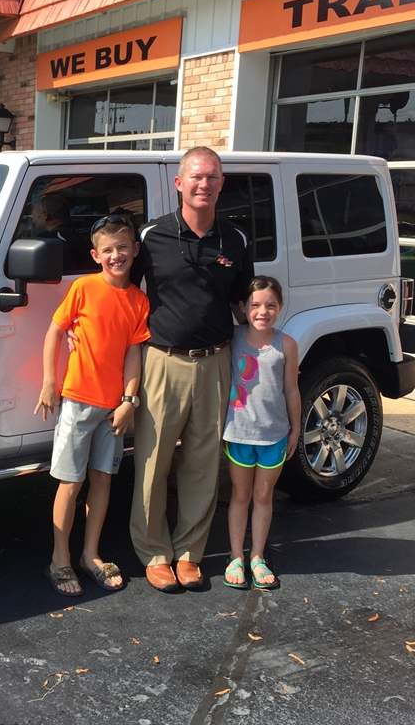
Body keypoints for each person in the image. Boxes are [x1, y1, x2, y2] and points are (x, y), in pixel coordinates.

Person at [129, 146, 254, 593]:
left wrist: (270, 353)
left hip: (216, 362)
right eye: (196, 177)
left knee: (202, 463)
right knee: (153, 462)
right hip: (162, 362)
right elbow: (123, 293)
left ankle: (188, 554)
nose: (204, 184)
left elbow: (243, 304)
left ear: (222, 184)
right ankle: (153, 552)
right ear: (179, 183)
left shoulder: (235, 239)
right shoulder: (151, 236)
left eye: (212, 176)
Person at [36, 215, 150, 596]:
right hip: (78, 402)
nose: (116, 255)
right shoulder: (83, 288)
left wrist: (129, 400)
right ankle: (60, 558)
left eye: (123, 247)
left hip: (113, 408)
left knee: (103, 479)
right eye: (108, 250)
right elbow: (55, 331)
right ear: (95, 255)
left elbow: (133, 354)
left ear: (135, 250)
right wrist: (49, 382)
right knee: (71, 482)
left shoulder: (139, 301)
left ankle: (90, 554)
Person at [222, 276, 300, 590]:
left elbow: (291, 390)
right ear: (243, 307)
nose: (262, 312)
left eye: (270, 305)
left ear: (280, 307)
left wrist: (295, 429)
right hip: (238, 432)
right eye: (255, 305)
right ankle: (235, 556)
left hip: (273, 435)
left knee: (263, 497)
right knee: (240, 496)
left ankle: (257, 556)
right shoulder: (233, 337)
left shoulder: (286, 344)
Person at [31, 195, 95, 273]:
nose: (33, 220)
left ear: (45, 214)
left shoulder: (46, 241)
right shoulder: (83, 238)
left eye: (33, 215)